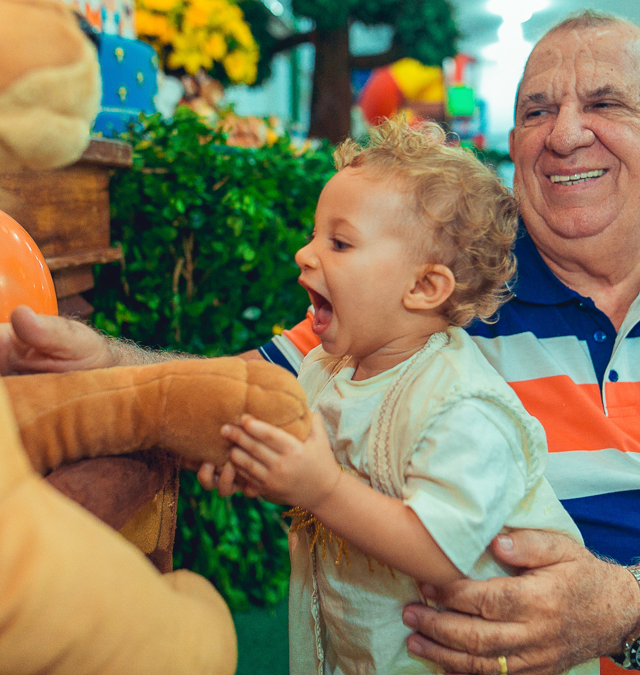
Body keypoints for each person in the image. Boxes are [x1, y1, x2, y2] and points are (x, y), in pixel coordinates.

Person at [0, 10, 640, 675]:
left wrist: (622, 608)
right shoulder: (439, 306)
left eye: (606, 104)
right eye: (536, 109)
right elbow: (240, 391)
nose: (564, 132)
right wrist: (91, 363)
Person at [215, 119, 596, 675]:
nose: (305, 254)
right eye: (315, 234)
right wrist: (254, 460)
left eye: (339, 242)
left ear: (423, 288)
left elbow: (442, 552)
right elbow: (297, 453)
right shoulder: (325, 367)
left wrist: (319, 487)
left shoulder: (463, 406)